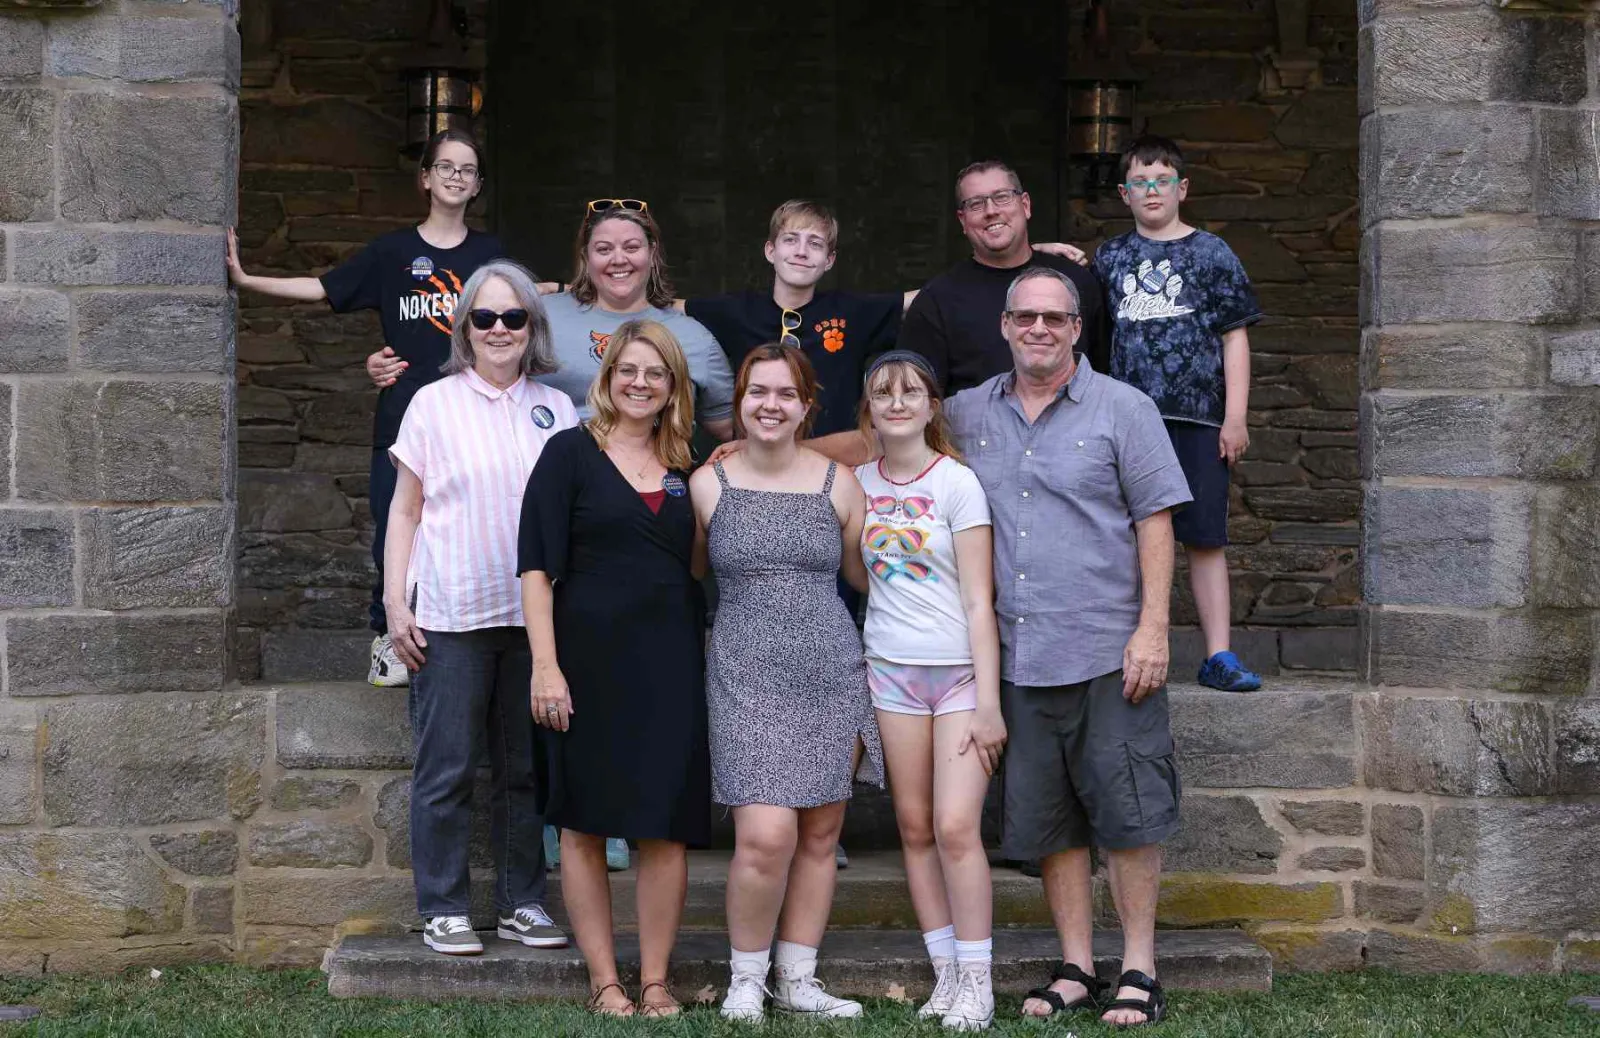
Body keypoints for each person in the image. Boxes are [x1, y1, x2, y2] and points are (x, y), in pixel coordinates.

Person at [943, 266, 1191, 1026]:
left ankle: (1140, 967)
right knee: (1050, 823)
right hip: (1017, 655)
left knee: (1128, 813)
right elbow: (884, 435)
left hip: (1108, 650)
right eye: (1027, 318)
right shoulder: (964, 413)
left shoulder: (1125, 408)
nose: (1040, 330)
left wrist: (1152, 629)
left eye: (1056, 318)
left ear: (1077, 328)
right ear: (1006, 325)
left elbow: (1156, 519)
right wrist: (728, 451)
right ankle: (1078, 965)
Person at [231, 129, 503, 690]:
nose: (456, 176)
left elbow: (534, 302)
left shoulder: (490, 257)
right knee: (394, 532)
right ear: (425, 177)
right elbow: (324, 287)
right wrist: (246, 278)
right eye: (445, 166)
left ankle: (468, 640)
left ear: (477, 185)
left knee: (472, 530)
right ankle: (390, 638)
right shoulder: (392, 254)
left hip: (477, 422)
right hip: (404, 419)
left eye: (467, 169)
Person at [383, 260, 577, 956]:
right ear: (465, 327)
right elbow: (404, 510)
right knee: (449, 768)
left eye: (513, 317)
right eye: (485, 318)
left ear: (532, 327)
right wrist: (394, 602)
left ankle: (524, 902)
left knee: (527, 771)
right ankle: (443, 907)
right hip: (451, 612)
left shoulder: (555, 408)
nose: (499, 330)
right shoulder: (432, 403)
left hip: (534, 621)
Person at [520, 319, 710, 1018]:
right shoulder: (567, 454)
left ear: (672, 387)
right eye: (628, 370)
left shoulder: (691, 465)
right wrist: (546, 667)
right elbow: (536, 568)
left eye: (654, 373)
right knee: (585, 824)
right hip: (584, 662)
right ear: (607, 378)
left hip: (669, 663)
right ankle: (604, 980)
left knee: (665, 822)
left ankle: (656, 980)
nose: (640, 383)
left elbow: (697, 565)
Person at [688, 345, 884, 1022]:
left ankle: (799, 978)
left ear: (806, 406)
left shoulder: (840, 481)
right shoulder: (707, 483)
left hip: (830, 667)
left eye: (785, 394)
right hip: (744, 667)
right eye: (756, 392)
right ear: (739, 401)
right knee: (766, 834)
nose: (770, 405)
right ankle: (747, 978)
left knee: (822, 832)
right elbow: (685, 578)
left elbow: (868, 581)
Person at [854, 351, 1005, 1031]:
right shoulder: (856, 484)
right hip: (889, 671)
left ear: (932, 404)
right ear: (869, 408)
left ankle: (979, 978)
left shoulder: (958, 484)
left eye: (911, 391)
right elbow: (861, 577)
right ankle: (944, 974)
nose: (897, 402)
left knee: (954, 826)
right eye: (883, 393)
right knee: (913, 828)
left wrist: (992, 703)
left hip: (959, 676)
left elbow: (979, 600)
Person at [1092, 135, 1264, 693]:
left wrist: (1234, 416)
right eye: (1139, 182)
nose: (1151, 190)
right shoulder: (1110, 258)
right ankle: (1131, 645)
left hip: (1198, 419)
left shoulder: (1211, 253)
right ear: (1124, 194)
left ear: (1181, 188)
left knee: (1205, 536)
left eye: (1161, 180)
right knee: (1127, 536)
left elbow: (1234, 337)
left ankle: (1219, 654)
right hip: (1128, 422)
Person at [899, 160, 1109, 394]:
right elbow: (920, 400)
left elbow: (1103, 375)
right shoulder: (936, 301)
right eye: (976, 204)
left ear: (1026, 205)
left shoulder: (1077, 282)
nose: (991, 211)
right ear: (962, 220)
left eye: (1002, 197)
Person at [536, 200, 736, 438]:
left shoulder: (694, 337)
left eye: (631, 248)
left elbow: (732, 433)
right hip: (549, 466)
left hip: (654, 468)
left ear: (652, 253)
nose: (618, 259)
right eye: (603, 249)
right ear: (585, 257)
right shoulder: (539, 317)